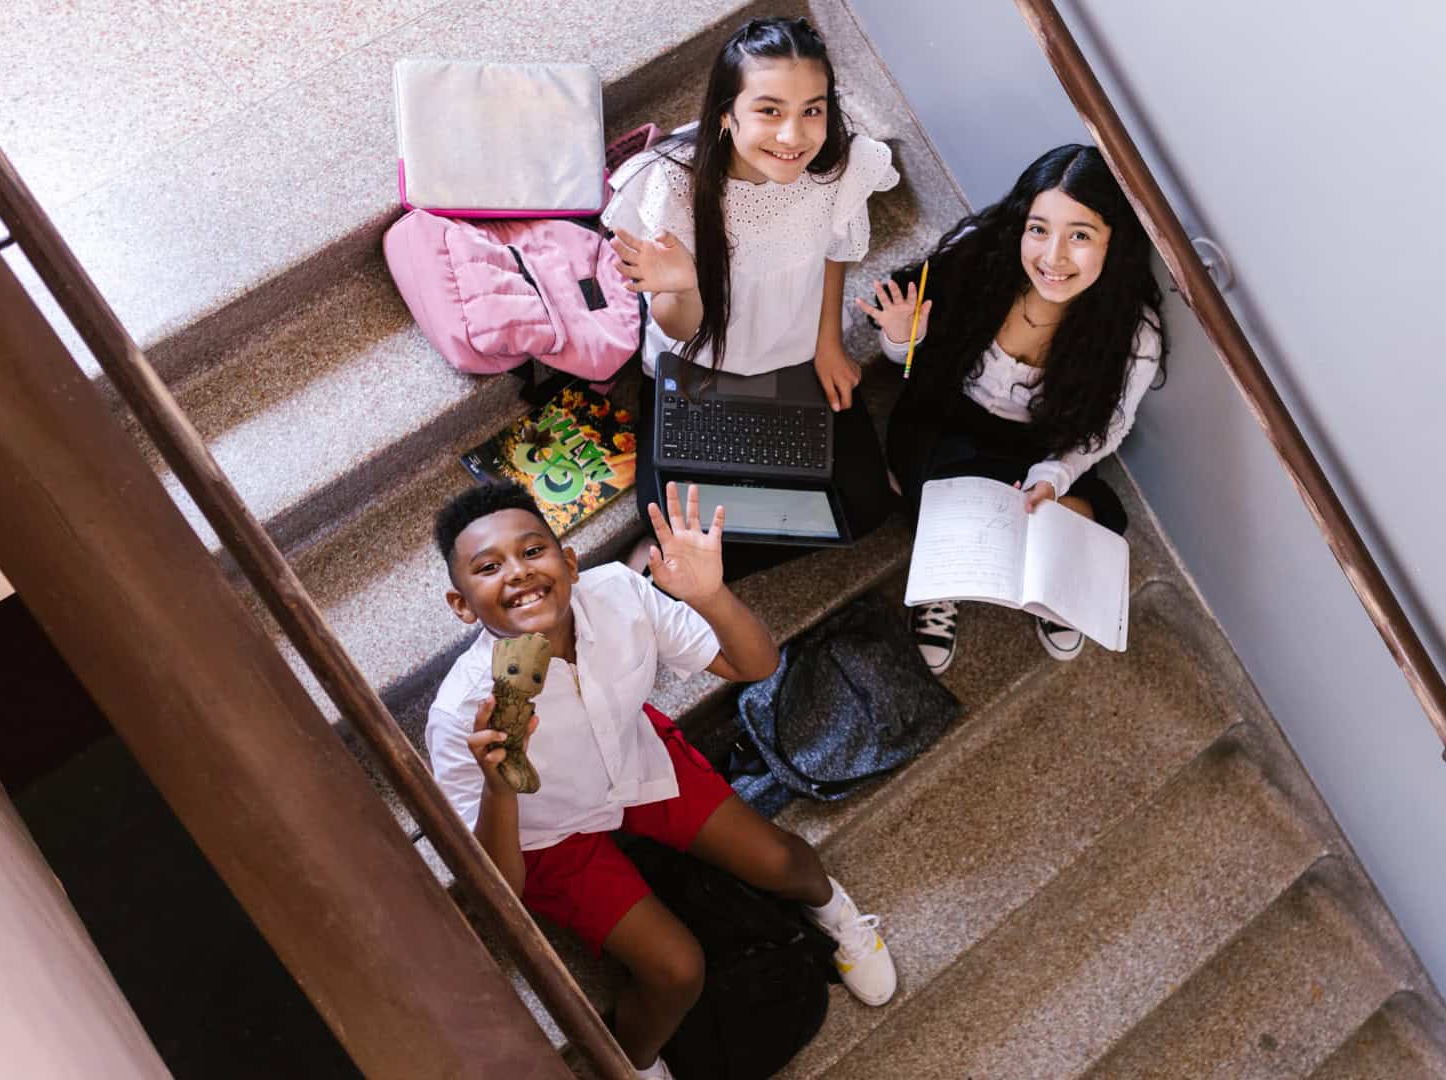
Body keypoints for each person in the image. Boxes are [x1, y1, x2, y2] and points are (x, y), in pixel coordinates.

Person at [425, 481, 896, 1080]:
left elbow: (754, 665)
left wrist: (712, 596)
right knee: (676, 969)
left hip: (638, 761)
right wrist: (499, 787)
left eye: (533, 551)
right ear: (463, 604)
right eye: (489, 567)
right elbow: (498, 886)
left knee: (784, 863)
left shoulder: (618, 591)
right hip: (546, 833)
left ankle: (836, 915)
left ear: (569, 562)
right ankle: (638, 1064)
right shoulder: (459, 712)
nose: (517, 572)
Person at [604, 16, 898, 578]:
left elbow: (836, 245)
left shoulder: (833, 162)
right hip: (699, 372)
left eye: (811, 109)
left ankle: (696, 561)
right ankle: (681, 562)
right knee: (668, 514)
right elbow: (681, 330)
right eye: (769, 110)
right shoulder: (672, 187)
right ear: (725, 115)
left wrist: (828, 342)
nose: (793, 137)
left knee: (866, 508)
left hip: (793, 358)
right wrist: (683, 283)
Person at [856, 144, 1167, 670]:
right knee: (936, 477)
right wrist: (902, 338)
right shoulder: (981, 258)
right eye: (1040, 229)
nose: (1053, 257)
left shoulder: (1132, 332)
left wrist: (1054, 475)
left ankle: (1051, 585)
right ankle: (944, 575)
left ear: (1115, 242)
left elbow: (1108, 431)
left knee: (1090, 512)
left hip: (1034, 444)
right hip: (946, 417)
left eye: (1081, 236)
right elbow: (911, 366)